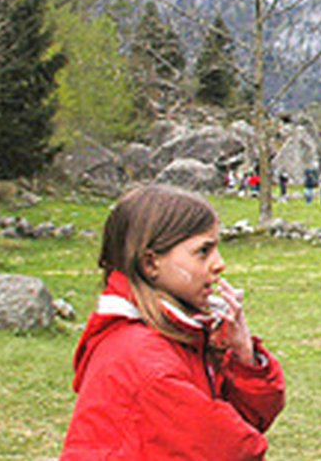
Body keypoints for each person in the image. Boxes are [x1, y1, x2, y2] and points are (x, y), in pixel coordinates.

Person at [61, 185, 285, 459]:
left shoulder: (177, 337)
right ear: (151, 263)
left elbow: (249, 420)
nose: (219, 264)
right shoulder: (144, 363)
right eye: (203, 251)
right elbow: (234, 450)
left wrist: (243, 355)